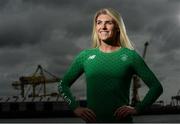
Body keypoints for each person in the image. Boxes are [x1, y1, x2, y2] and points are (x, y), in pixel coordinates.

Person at [58, 8, 163, 123]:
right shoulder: (85, 56)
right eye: (99, 23)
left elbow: (156, 87)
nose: (103, 27)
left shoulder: (130, 56)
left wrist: (138, 109)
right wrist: (75, 108)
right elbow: (63, 85)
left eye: (108, 22)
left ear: (118, 27)